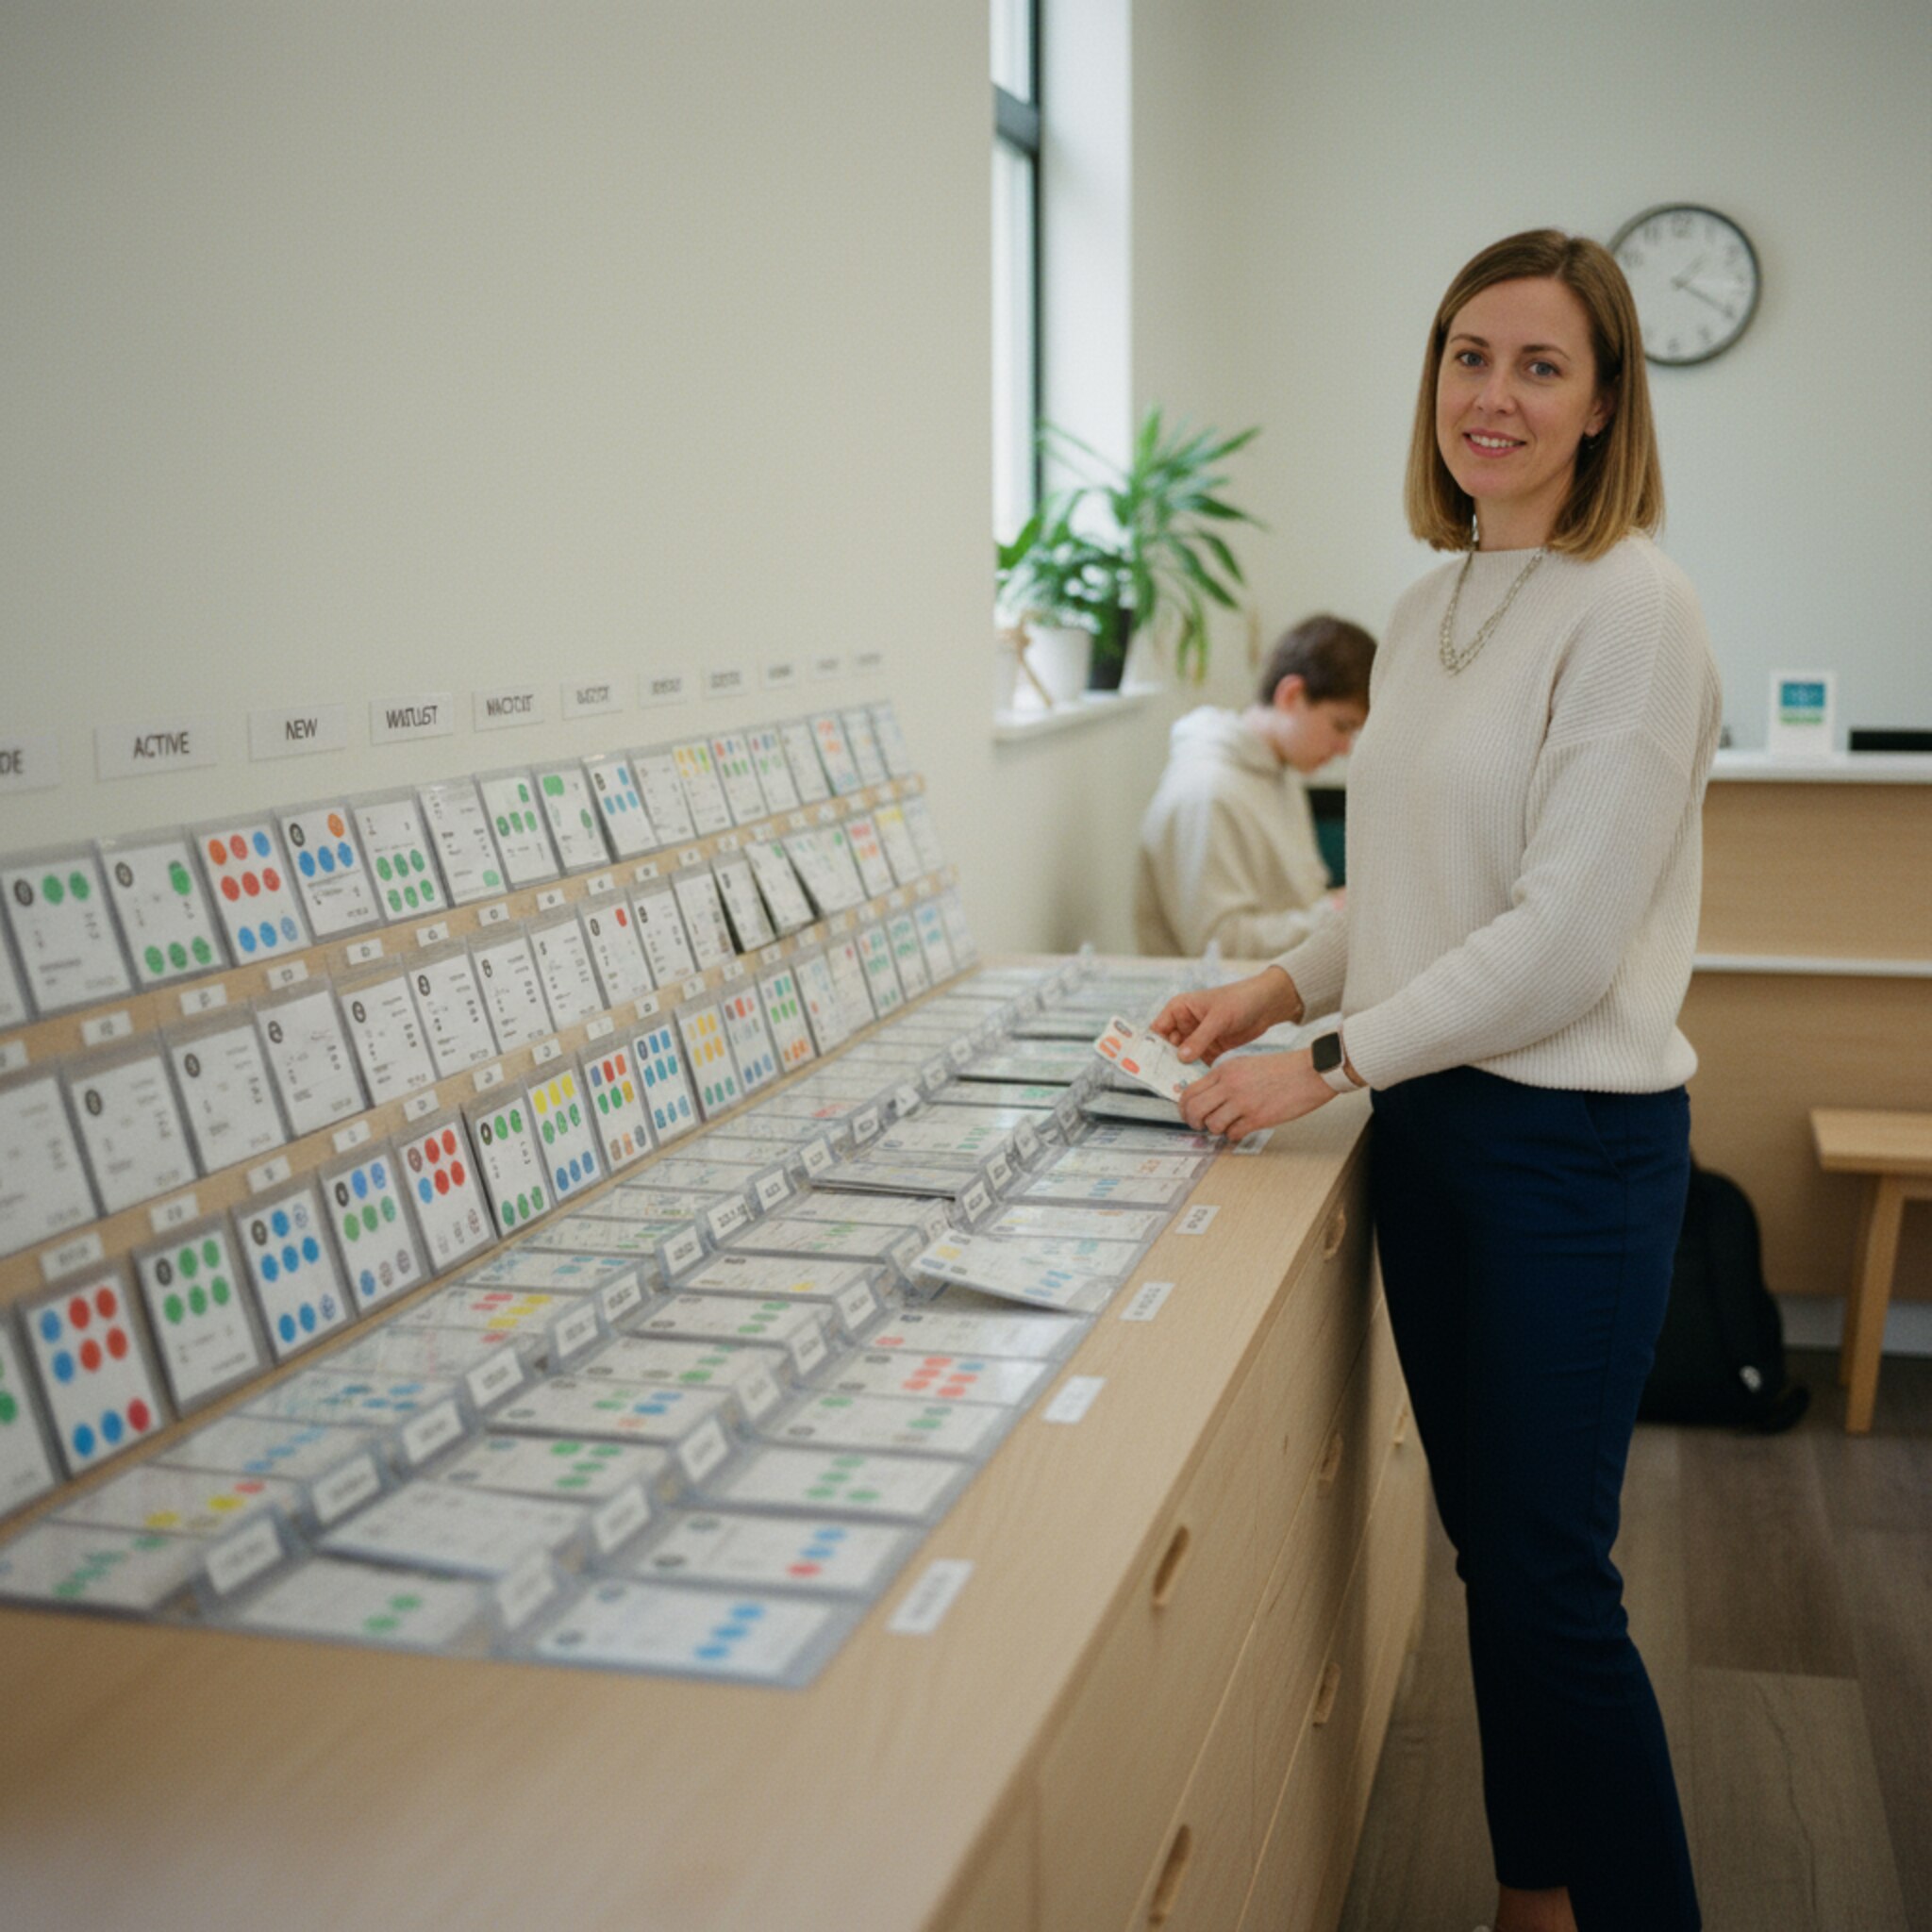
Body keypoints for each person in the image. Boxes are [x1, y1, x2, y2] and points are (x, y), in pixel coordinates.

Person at [1153, 230, 1718, 1932]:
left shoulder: (1635, 609)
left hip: (1568, 1153)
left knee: (1550, 1587)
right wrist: (1267, 983)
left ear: (1605, 401)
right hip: (1441, 1132)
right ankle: (1531, 1896)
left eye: (1539, 365)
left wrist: (1315, 1060)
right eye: (1468, 356)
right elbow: (1407, 891)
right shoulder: (1428, 598)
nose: (1493, 395)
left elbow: (1552, 943)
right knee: (1497, 1560)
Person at [1133, 614, 1373, 958]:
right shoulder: (1208, 791)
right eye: (1341, 726)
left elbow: (1297, 901)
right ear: (1291, 694)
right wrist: (1335, 914)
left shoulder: (1280, 770)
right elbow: (1218, 946)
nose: (1345, 747)